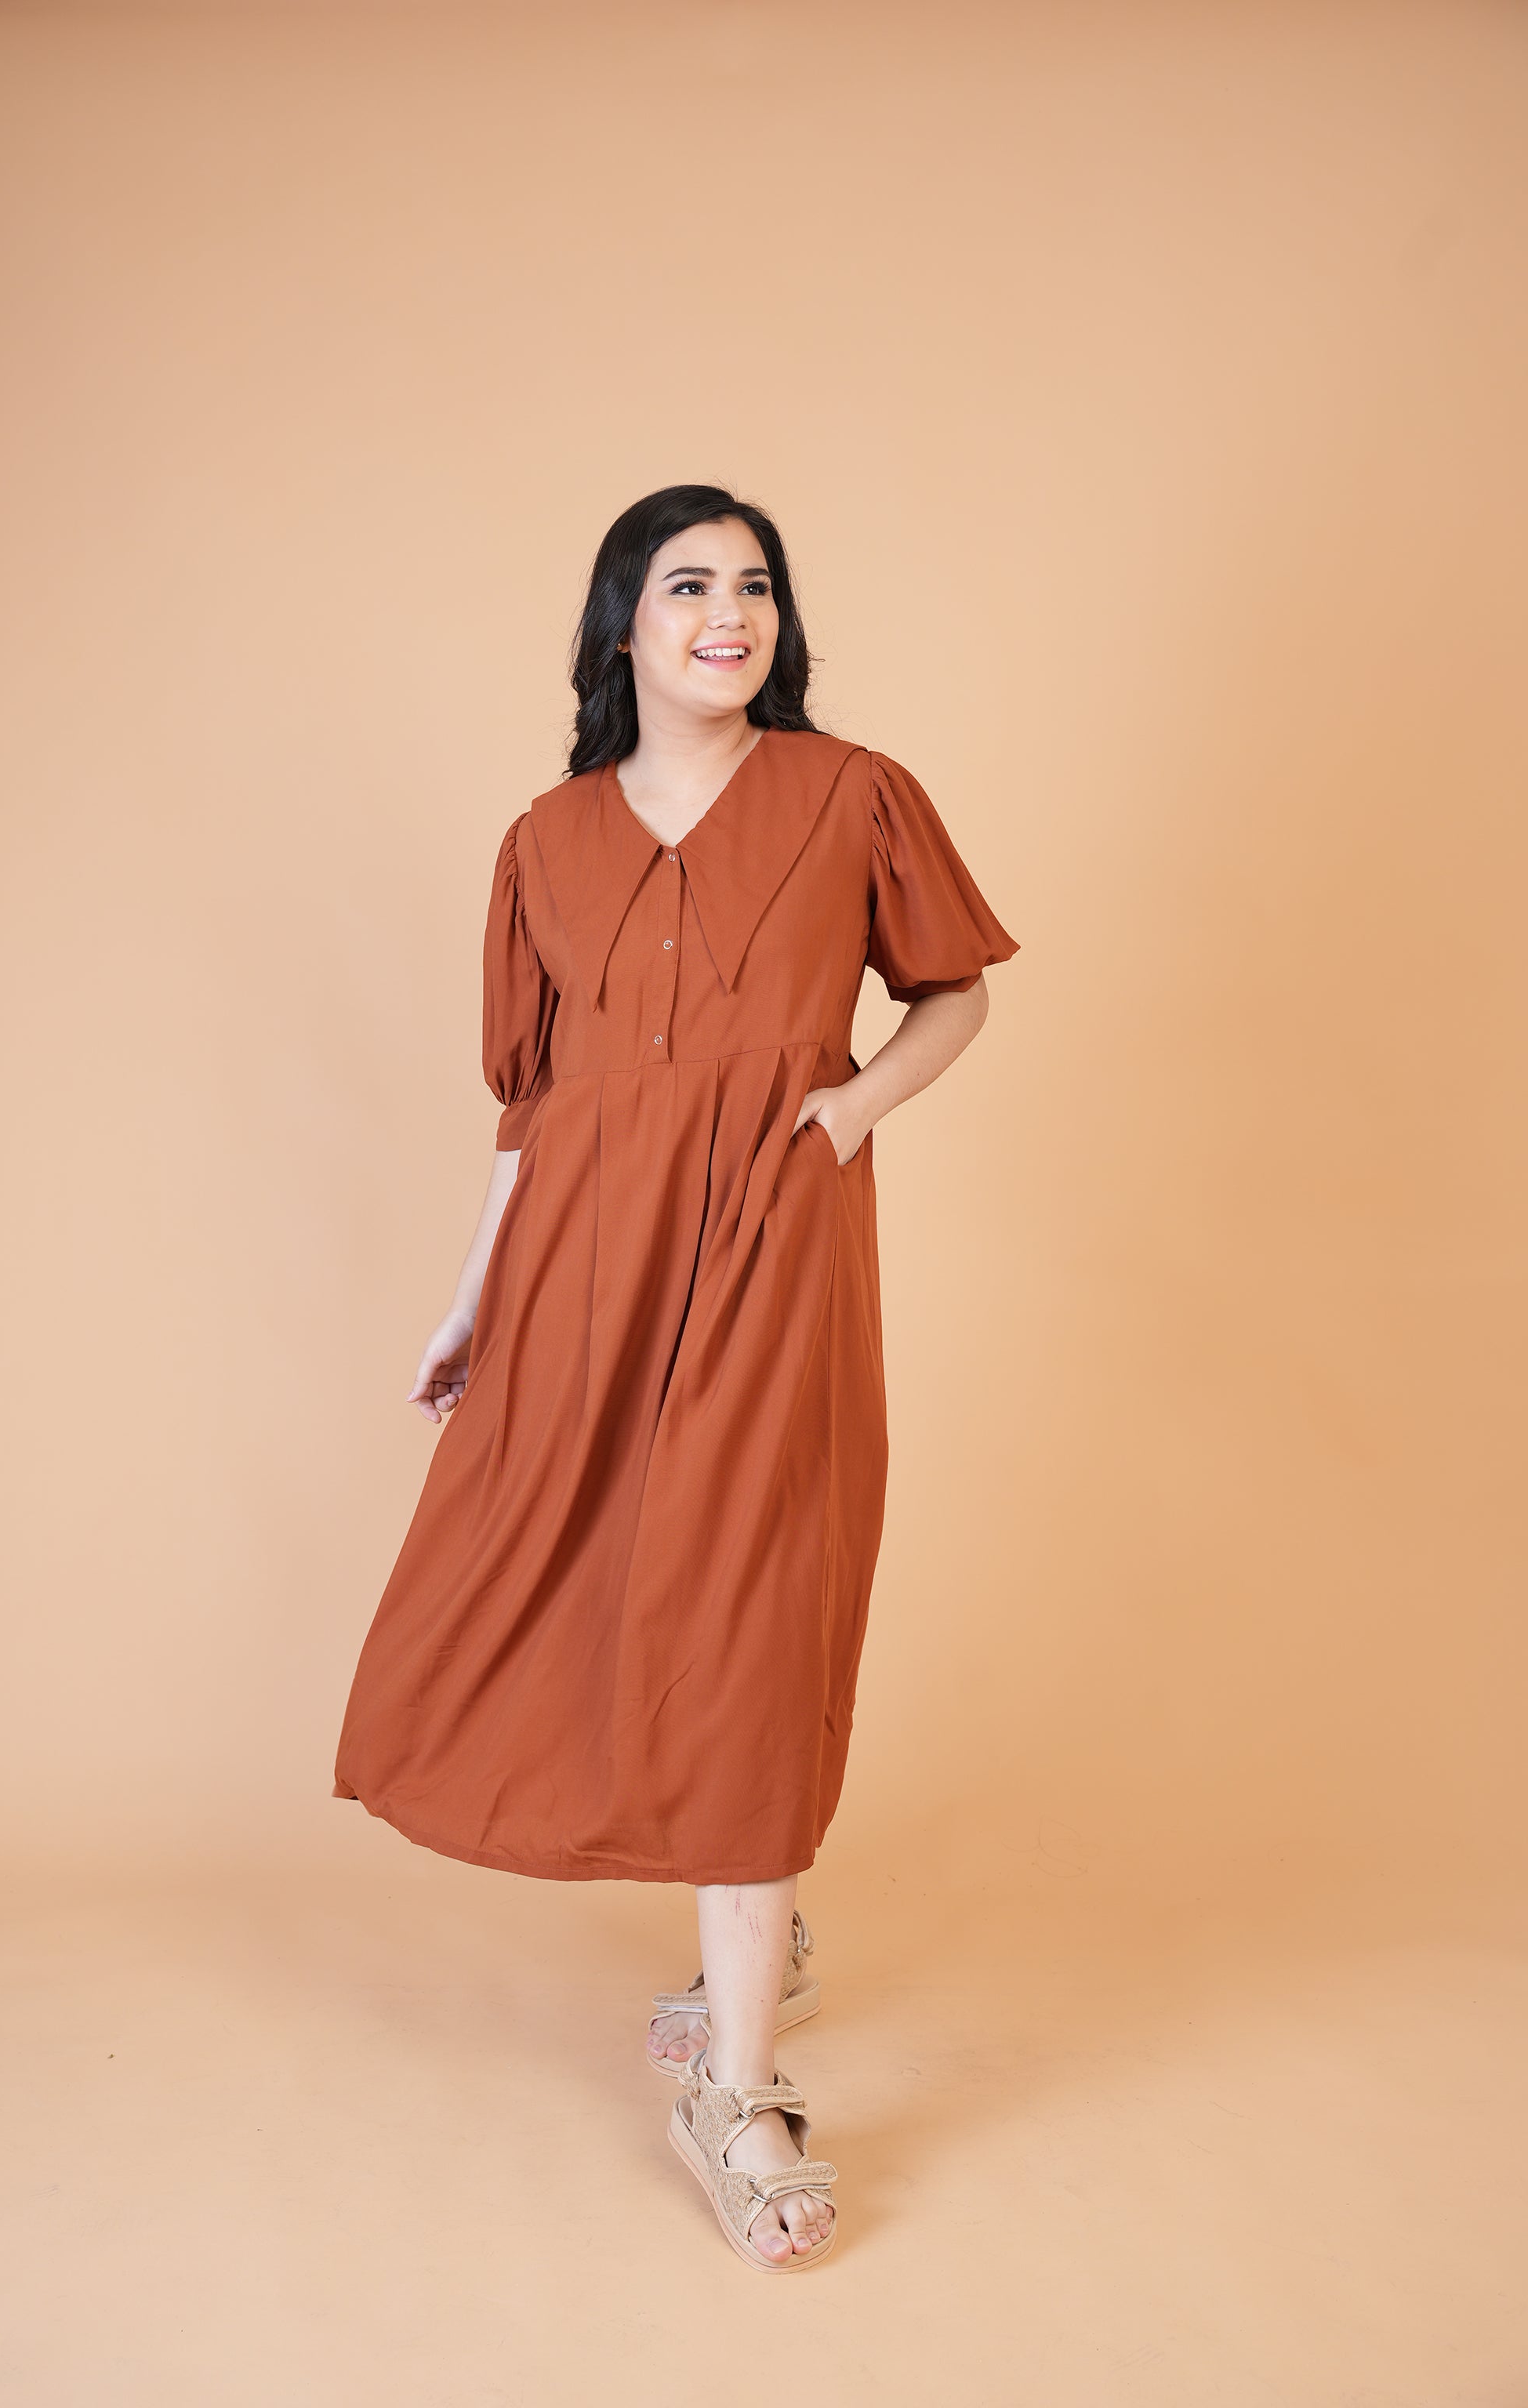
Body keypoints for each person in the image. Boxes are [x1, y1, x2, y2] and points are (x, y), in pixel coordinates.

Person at [332, 483, 1020, 2271]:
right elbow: (537, 1108)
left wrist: (848, 1114)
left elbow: (953, 994)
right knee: (565, 1577)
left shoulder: (853, 793)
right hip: (578, 1266)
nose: (732, 613)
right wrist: (472, 1301)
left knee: (742, 1596)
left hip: (768, 1242)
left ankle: (739, 2087)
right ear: (622, 625)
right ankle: (758, 1929)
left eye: (757, 585)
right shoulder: (542, 839)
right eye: (690, 583)